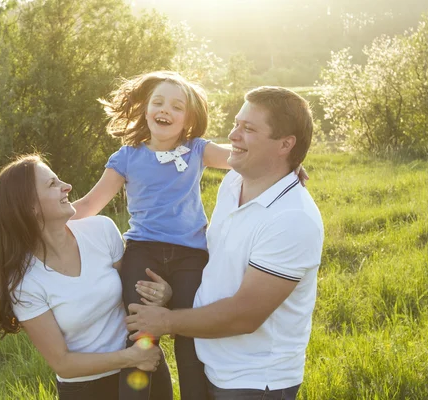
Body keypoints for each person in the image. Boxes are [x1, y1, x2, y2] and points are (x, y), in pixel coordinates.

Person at [125, 86, 325, 400]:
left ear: (285, 144)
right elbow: (218, 265)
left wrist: (166, 320)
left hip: (254, 382)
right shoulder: (234, 182)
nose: (233, 135)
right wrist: (172, 292)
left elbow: (244, 315)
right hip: (209, 361)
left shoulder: (293, 218)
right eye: (235, 123)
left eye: (248, 129)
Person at [71, 71, 234, 400]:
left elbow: (241, 158)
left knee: (190, 341)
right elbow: (90, 203)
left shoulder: (197, 149)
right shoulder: (127, 156)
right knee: (140, 339)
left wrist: (283, 163)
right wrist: (38, 222)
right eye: (158, 102)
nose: (166, 110)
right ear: (145, 109)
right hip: (143, 255)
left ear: (188, 117)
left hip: (191, 257)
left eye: (177, 106)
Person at [0, 154, 173, 400]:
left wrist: (164, 296)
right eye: (52, 184)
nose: (67, 186)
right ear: (30, 207)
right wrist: (131, 357)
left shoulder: (101, 230)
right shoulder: (24, 282)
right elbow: (63, 363)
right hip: (88, 389)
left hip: (144, 369)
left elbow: (135, 297)